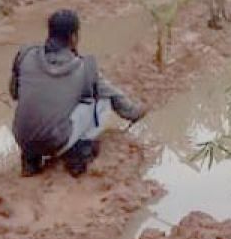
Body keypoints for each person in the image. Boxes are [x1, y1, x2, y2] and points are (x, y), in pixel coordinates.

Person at [9, 9, 146, 178]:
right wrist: (133, 112)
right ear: (74, 37)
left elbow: (14, 93)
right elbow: (113, 96)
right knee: (102, 100)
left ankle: (31, 160)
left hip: (22, 138)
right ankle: (80, 152)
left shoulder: (25, 55)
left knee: (41, 103)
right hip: (56, 142)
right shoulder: (84, 67)